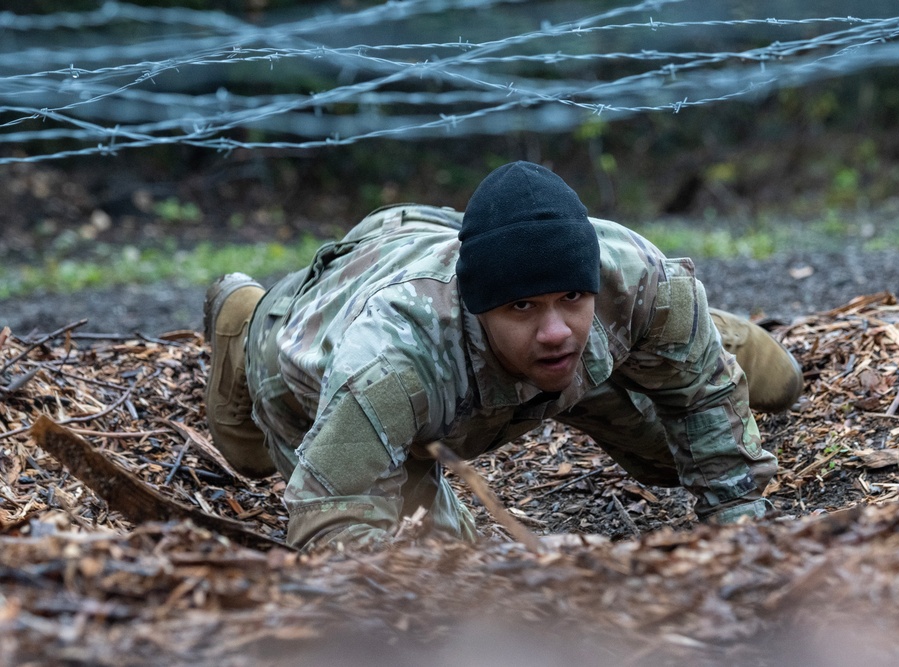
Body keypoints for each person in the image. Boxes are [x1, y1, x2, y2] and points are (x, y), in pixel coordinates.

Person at [203, 161, 803, 550]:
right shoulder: (390, 363)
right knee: (436, 559)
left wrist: (741, 543)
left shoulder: (638, 277)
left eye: (572, 297)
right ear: (483, 308)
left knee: (739, 409)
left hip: (459, 266)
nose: (554, 330)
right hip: (315, 344)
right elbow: (330, 518)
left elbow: (705, 409)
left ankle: (690, 336)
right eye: (522, 308)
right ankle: (245, 317)